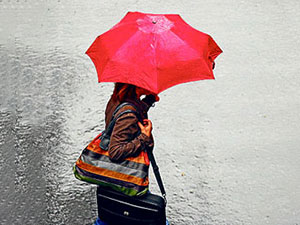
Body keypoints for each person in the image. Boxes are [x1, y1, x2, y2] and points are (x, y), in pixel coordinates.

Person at [94, 82, 160, 225]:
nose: (151, 83)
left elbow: (124, 119)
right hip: (127, 175)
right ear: (136, 85)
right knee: (142, 213)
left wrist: (148, 101)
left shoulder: (117, 99)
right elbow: (115, 151)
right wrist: (144, 137)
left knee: (111, 211)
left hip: (111, 174)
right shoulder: (129, 114)